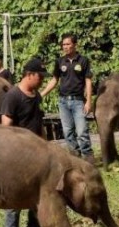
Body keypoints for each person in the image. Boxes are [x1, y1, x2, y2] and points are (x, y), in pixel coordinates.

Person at [0, 57, 49, 227]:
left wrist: (46, 146)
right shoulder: (13, 96)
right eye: (40, 77)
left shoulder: (36, 96)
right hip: (18, 155)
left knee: (38, 196)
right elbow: (5, 127)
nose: (43, 81)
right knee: (15, 197)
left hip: (37, 154)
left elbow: (39, 123)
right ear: (29, 75)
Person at [40, 33, 95, 164]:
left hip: (78, 101)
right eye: (63, 44)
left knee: (82, 131)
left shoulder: (83, 61)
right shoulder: (59, 61)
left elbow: (88, 81)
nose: (65, 47)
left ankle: (88, 159)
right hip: (63, 101)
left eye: (68, 44)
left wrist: (89, 101)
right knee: (68, 132)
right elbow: (54, 80)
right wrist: (41, 94)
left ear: (75, 45)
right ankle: (75, 159)